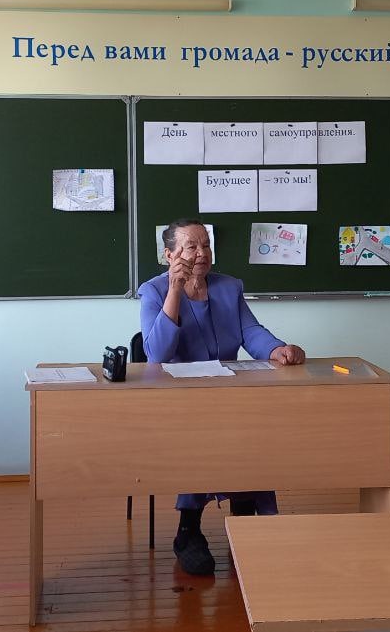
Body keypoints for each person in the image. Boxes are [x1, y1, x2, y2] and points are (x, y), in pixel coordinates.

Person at [139, 219, 305, 576]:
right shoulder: (152, 291)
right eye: (191, 246)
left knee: (253, 429)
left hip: (230, 393)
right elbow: (157, 354)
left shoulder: (229, 287)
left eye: (206, 245)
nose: (201, 253)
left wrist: (277, 349)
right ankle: (188, 529)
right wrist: (175, 291)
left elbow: (250, 331)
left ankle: (244, 519)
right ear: (169, 255)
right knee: (204, 433)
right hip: (180, 400)